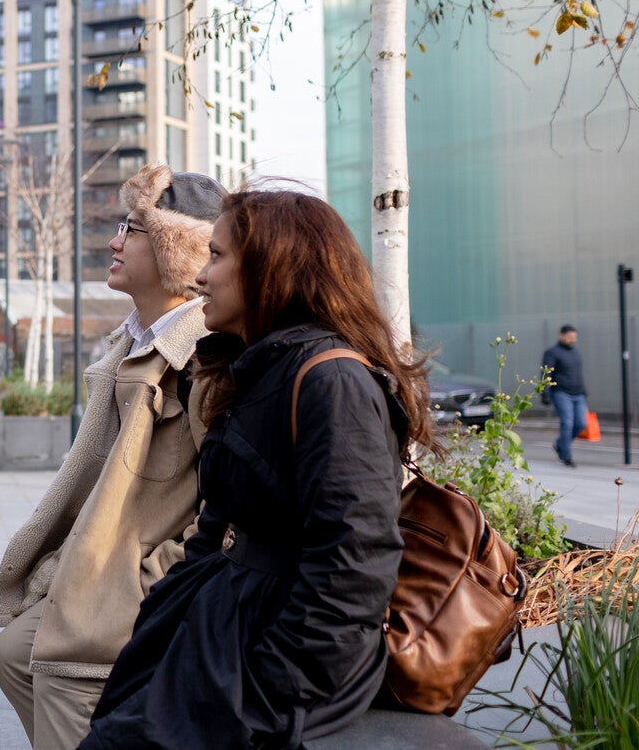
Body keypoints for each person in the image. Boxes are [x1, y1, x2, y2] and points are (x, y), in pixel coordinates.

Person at [79, 188, 439, 749]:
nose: (201, 275)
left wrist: (271, 691)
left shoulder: (333, 382)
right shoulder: (254, 366)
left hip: (265, 658)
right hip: (213, 630)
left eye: (218, 256)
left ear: (275, 268)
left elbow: (356, 562)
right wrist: (173, 608)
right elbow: (218, 522)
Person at [0, 165, 225, 749]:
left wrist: (150, 576)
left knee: (61, 679)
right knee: (12, 656)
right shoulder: (134, 340)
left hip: (141, 584)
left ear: (177, 251)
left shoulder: (200, 355)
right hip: (102, 565)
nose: (114, 242)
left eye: (133, 229)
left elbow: (230, 508)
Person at [543, 325, 586, 467]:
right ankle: (566, 456)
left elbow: (577, 374)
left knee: (581, 423)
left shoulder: (575, 353)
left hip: (578, 393)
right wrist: (545, 393)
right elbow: (546, 374)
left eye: (574, 337)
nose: (573, 340)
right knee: (567, 423)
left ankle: (560, 444)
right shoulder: (552, 353)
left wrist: (584, 391)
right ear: (561, 336)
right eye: (570, 337)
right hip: (561, 393)